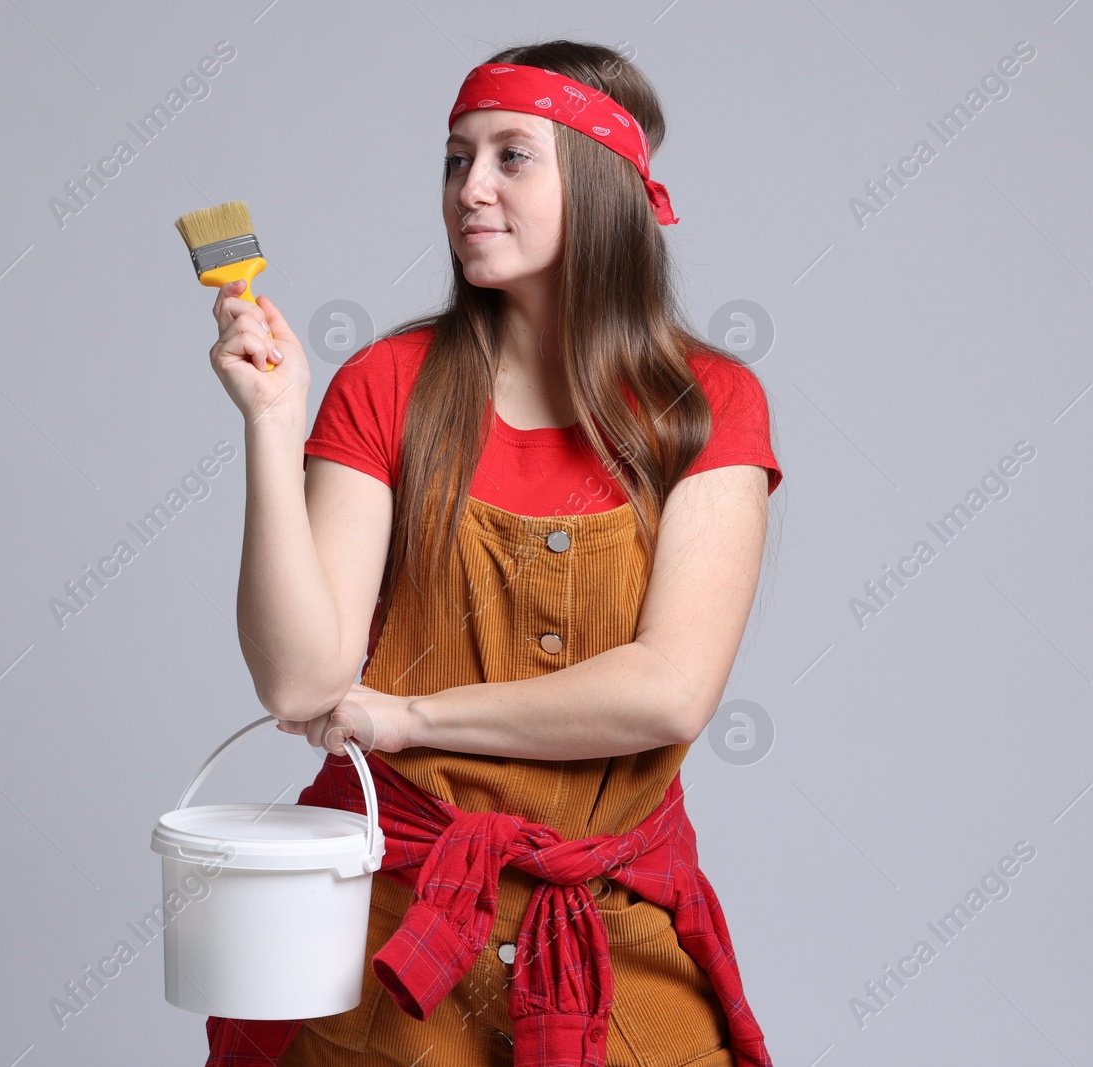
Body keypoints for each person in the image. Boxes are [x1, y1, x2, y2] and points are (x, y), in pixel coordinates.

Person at [198, 39, 781, 1067]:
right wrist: (271, 421)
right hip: (388, 934)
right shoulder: (386, 385)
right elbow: (299, 677)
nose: (469, 188)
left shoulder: (705, 407)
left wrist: (411, 716)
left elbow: (668, 691)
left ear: (600, 184)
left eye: (512, 156)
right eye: (455, 157)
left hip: (610, 929)